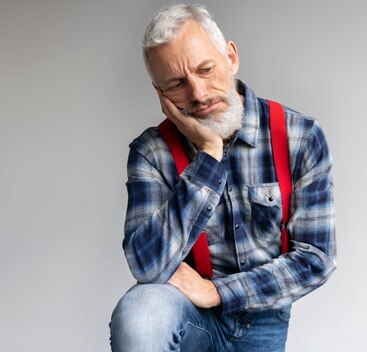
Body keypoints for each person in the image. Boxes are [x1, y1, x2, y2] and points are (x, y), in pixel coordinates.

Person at [109, 4, 336, 351]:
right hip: (185, 316)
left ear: (230, 57)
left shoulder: (299, 137)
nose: (198, 94)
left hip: (262, 317)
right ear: (160, 93)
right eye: (177, 84)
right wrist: (209, 157)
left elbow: (316, 257)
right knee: (140, 315)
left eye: (205, 69)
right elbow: (146, 265)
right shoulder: (151, 152)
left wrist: (217, 292)